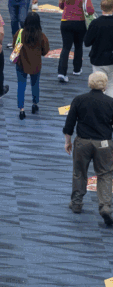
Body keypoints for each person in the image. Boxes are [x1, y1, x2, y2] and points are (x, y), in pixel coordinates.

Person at [63, 71, 113, 223]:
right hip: (104, 143)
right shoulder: (111, 102)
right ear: (104, 85)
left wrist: (68, 141)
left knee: (79, 172)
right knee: (105, 174)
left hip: (83, 142)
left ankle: (77, 203)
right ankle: (105, 206)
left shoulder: (79, 100)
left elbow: (70, 123)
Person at [58, 0, 95, 83]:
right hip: (80, 23)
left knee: (65, 48)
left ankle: (61, 72)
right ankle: (77, 69)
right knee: (78, 46)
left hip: (65, 22)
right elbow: (90, 10)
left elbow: (61, 6)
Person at [86, 0, 113, 96]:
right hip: (111, 60)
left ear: (101, 8)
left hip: (98, 59)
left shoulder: (95, 23)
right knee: (111, 85)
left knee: (98, 85)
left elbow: (87, 42)